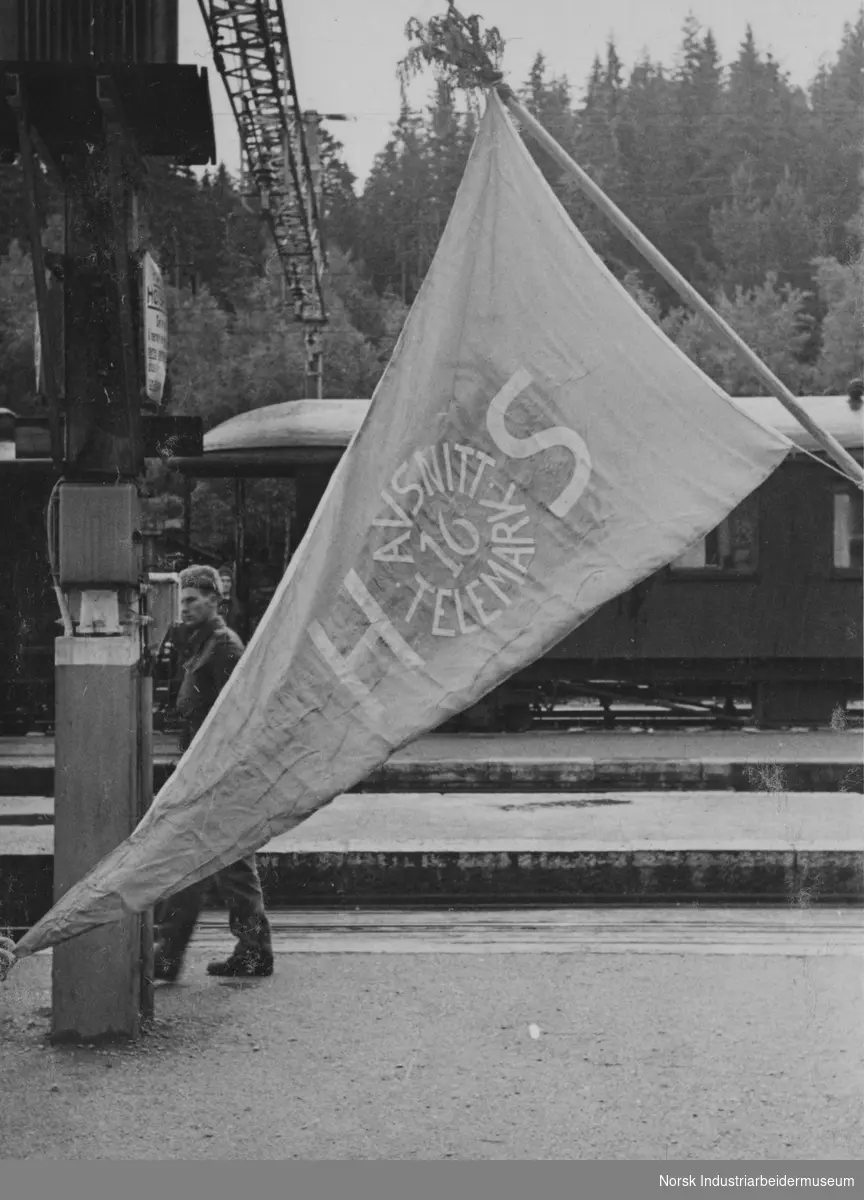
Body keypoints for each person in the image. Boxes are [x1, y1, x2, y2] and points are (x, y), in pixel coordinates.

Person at [153, 564, 274, 982]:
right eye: (181, 601)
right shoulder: (201, 643)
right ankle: (252, 950)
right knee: (228, 862)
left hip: (218, 771)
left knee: (194, 862)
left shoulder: (224, 647)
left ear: (214, 600)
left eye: (190, 600)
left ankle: (170, 955)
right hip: (207, 768)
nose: (183, 608)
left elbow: (241, 713)